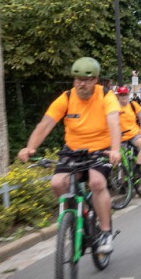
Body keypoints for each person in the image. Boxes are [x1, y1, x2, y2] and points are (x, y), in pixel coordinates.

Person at [18, 57, 122, 253]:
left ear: (95, 80)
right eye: (77, 79)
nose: (81, 84)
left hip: (101, 148)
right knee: (57, 183)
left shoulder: (106, 96)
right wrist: (30, 147)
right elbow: (45, 124)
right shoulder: (66, 98)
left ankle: (105, 232)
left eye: (86, 80)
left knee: (97, 183)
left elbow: (114, 122)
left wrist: (115, 149)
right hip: (73, 150)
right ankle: (75, 217)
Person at [115, 85, 141, 177]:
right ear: (118, 96)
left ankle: (137, 169)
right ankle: (122, 182)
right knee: (121, 161)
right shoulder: (114, 107)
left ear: (128, 95)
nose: (123, 97)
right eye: (121, 95)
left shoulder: (133, 105)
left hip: (134, 134)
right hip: (121, 137)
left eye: (125, 95)